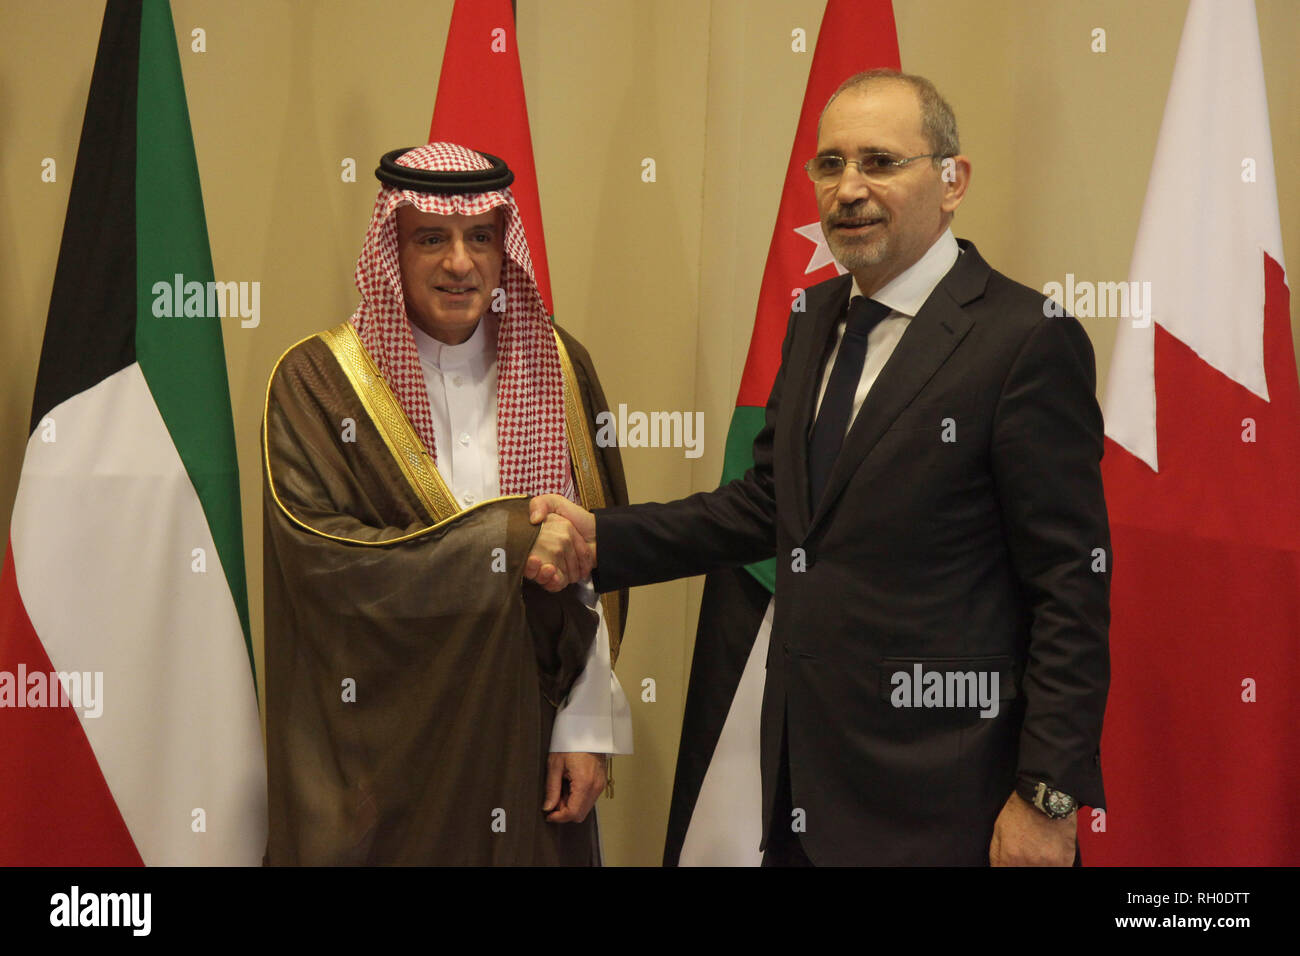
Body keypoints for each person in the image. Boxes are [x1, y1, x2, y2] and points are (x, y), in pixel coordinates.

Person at [533, 70, 1110, 866]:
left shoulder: (1024, 340)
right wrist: (603, 538)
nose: (849, 189)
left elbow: (1070, 588)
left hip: (950, 800)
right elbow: (769, 507)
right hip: (800, 785)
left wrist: (1047, 799)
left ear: (952, 181)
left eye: (880, 161)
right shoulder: (815, 320)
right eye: (830, 164)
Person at [262, 142, 632, 865]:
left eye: (480, 238)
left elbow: (596, 561)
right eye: (431, 238)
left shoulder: (561, 366)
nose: (459, 263)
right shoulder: (316, 382)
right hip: (382, 742)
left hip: (531, 731)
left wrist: (585, 727)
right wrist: (506, 541)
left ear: (504, 251)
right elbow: (325, 563)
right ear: (390, 249)